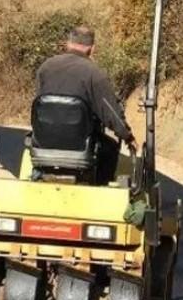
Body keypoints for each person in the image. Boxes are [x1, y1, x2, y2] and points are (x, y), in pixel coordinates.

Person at [35, 26, 136, 184]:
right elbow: (110, 112)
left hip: (43, 140)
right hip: (80, 143)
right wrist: (127, 135)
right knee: (110, 149)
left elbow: (40, 103)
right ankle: (99, 189)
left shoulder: (45, 67)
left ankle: (39, 176)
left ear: (68, 44)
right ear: (92, 49)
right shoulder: (94, 74)